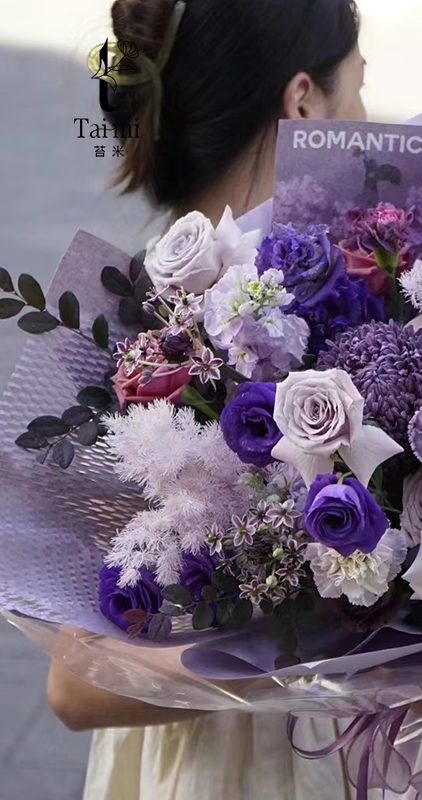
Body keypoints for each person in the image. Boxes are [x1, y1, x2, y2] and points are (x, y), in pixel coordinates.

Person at [47, 1, 367, 797]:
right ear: (302, 101)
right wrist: (324, 650)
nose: (368, 119)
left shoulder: (363, 298)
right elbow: (77, 682)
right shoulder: (153, 349)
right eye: (359, 87)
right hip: (246, 768)